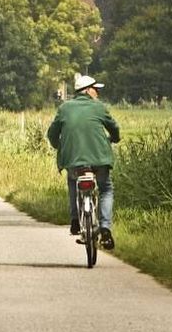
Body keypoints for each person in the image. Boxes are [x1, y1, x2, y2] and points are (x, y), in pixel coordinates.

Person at [47, 74, 120, 249]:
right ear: (87, 90)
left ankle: (74, 220)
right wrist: (115, 138)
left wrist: (60, 146)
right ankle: (105, 228)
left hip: (73, 160)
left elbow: (52, 133)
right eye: (96, 89)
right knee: (106, 189)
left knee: (73, 181)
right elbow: (114, 128)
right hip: (99, 159)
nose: (98, 93)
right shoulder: (99, 107)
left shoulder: (64, 108)